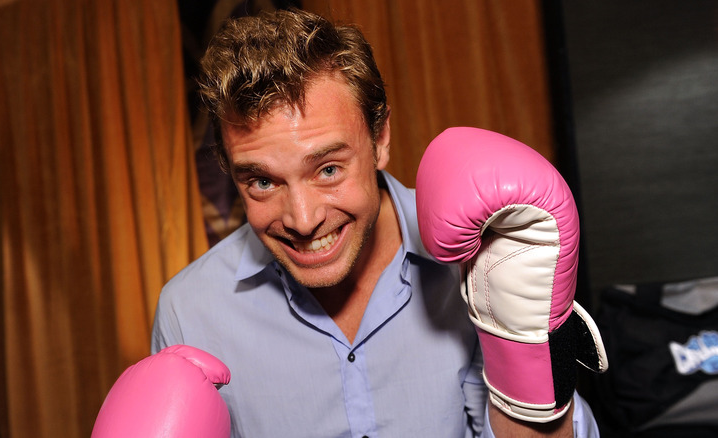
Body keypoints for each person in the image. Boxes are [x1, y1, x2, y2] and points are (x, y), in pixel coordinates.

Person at [151, 8, 599, 437]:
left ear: (380, 139)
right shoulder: (191, 313)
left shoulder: (485, 260)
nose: (303, 221)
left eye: (328, 169)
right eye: (263, 181)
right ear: (230, 172)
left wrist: (526, 354)